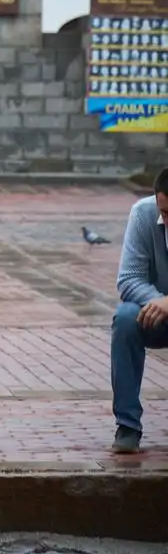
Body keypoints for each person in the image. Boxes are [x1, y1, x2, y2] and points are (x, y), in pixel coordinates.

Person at [109, 166, 168, 454]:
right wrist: (160, 302)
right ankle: (128, 425)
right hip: (156, 314)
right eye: (165, 212)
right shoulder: (143, 214)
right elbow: (129, 279)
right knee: (125, 319)